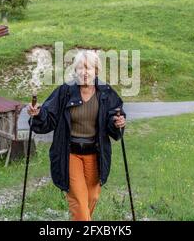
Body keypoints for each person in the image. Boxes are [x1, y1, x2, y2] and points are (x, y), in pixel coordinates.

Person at [27, 50, 126, 221]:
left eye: (88, 68)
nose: (84, 72)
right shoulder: (65, 92)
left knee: (91, 198)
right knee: (80, 203)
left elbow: (114, 119)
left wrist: (118, 123)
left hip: (95, 154)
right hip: (70, 154)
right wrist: (37, 114)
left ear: (96, 71)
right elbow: (48, 118)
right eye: (80, 68)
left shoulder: (106, 93)